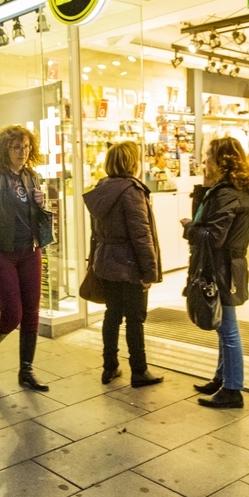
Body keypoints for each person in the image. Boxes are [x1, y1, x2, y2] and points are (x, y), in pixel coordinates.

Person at [182, 136, 249, 409]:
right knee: (223, 326)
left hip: (222, 268)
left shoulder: (227, 194)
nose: (204, 162)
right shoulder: (233, 190)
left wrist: (189, 227)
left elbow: (212, 235)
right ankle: (221, 377)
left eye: (207, 158)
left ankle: (233, 389)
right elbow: (210, 221)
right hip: (227, 266)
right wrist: (203, 190)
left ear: (221, 162)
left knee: (228, 330)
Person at [83, 141, 163, 387]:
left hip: (106, 263)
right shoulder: (132, 191)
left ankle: (110, 367)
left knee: (112, 316)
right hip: (129, 266)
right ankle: (139, 371)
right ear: (132, 163)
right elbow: (141, 235)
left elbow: (95, 233)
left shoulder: (101, 190)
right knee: (135, 319)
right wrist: (149, 271)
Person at [0, 125, 50, 391]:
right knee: (12, 313)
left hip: (31, 251)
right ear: (5, 149)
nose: (23, 152)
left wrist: (41, 204)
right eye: (17, 147)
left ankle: (26, 370)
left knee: (32, 313)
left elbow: (37, 216)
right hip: (2, 254)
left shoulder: (32, 176)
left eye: (27, 147)